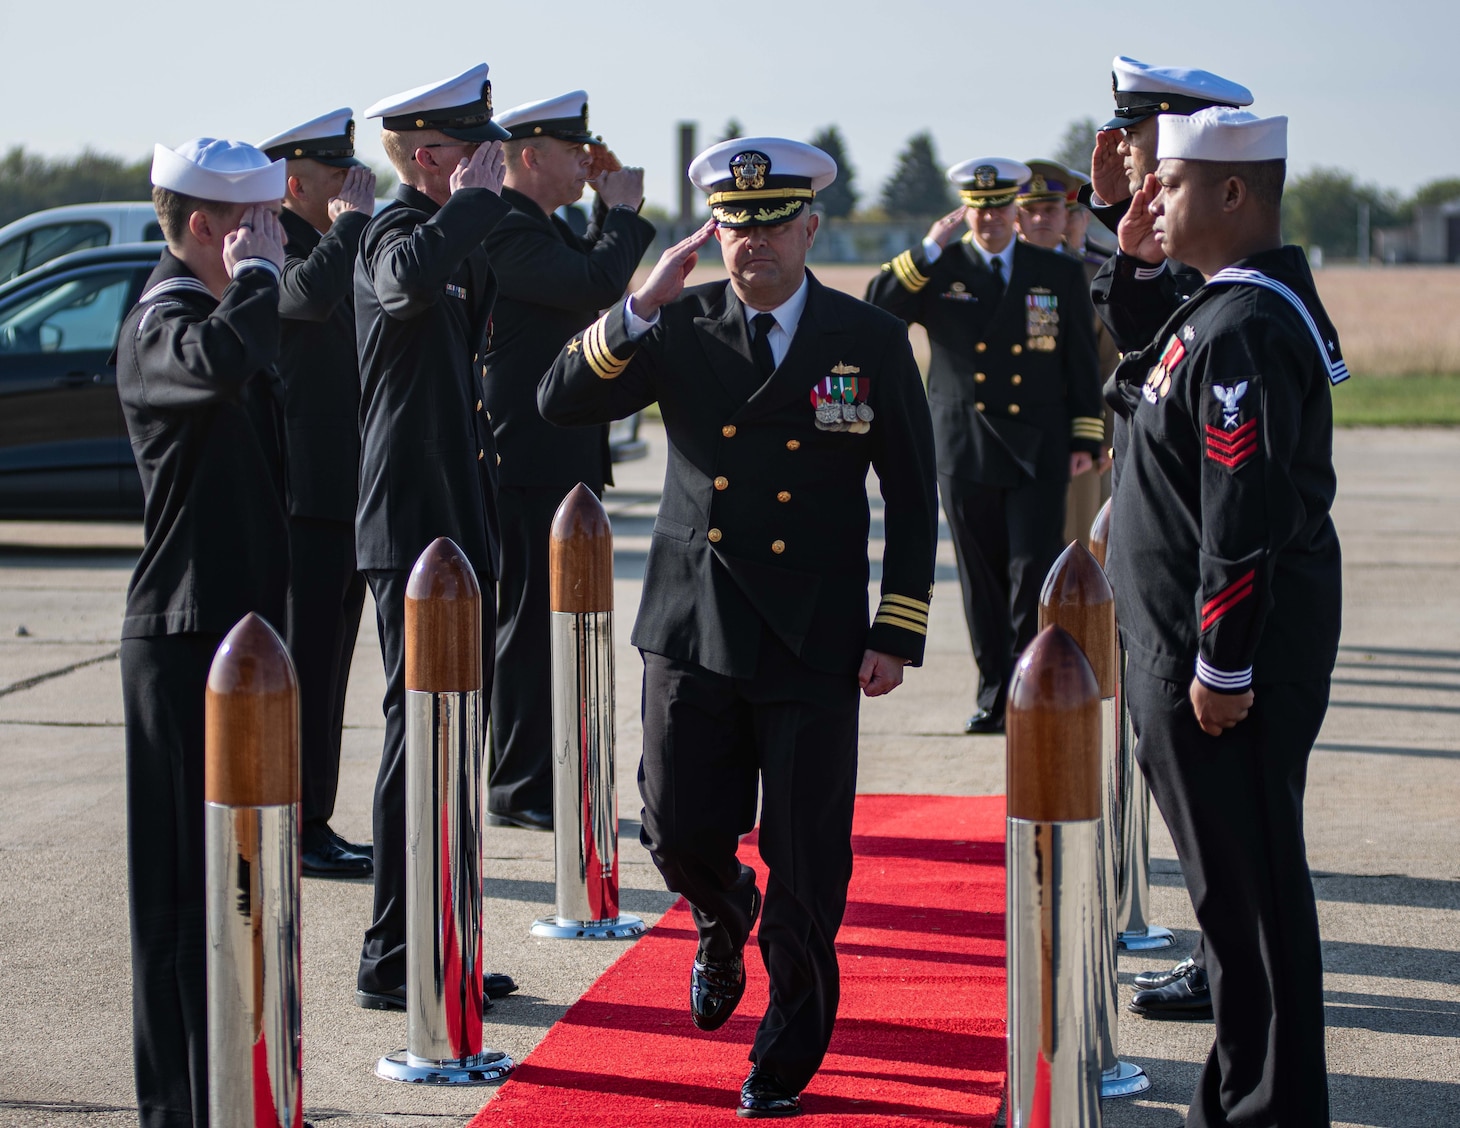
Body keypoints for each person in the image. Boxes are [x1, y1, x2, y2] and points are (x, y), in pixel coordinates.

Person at [539, 137, 938, 1118]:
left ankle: (784, 1050)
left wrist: (895, 627)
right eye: (731, 224)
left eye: (768, 224)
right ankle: (722, 913)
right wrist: (635, 308)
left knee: (808, 863)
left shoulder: (867, 339)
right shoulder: (677, 328)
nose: (748, 243)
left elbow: (913, 493)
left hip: (811, 636)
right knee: (674, 828)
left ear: (808, 227)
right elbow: (558, 400)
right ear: (710, 229)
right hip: (690, 623)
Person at [1105, 107, 1344, 1128]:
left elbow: (1235, 513)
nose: (1148, 197)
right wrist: (1136, 265)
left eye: (1168, 182)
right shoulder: (1218, 309)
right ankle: (1245, 1096)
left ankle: (1262, 1109)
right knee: (1228, 901)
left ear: (1233, 194)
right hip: (1184, 653)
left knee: (1248, 907)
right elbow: (1141, 393)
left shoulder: (1244, 324)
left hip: (1219, 670)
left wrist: (1223, 665)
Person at [118, 138, 289, 1128]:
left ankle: (236, 1084)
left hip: (239, 639)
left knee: (241, 889)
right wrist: (256, 278)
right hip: (183, 641)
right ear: (203, 231)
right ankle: (178, 1105)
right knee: (184, 899)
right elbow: (221, 364)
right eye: (252, 226)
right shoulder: (162, 320)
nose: (268, 243)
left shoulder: (219, 307)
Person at [1083, 56, 1255, 1022]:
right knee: (1180, 774)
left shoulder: (1234, 267)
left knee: (1219, 791)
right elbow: (1140, 340)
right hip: (1167, 551)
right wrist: (1125, 234)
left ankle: (1230, 966)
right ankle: (1218, 952)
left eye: (1143, 138)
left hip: (1203, 559)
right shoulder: (1174, 243)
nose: (1127, 154)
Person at [353, 64, 516, 1010]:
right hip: (411, 522)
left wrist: (485, 210)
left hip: (459, 516)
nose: (489, 164)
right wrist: (469, 207)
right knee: (419, 738)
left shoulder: (460, 235)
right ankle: (390, 955)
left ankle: (443, 938)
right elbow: (407, 286)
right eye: (471, 149)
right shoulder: (395, 232)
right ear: (427, 156)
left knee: (457, 744)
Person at [866, 157, 1102, 735]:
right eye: (980, 208)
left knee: (1030, 568)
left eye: (1000, 208)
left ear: (1014, 211)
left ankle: (1029, 685)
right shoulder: (940, 268)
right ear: (965, 211)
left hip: (1039, 443)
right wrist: (924, 249)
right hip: (966, 442)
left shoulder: (1055, 271)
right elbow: (876, 306)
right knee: (981, 577)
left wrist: (1085, 436)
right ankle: (994, 693)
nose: (990, 219)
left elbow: (1079, 361)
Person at [481, 90, 656, 831]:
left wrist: (603, 215)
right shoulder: (505, 227)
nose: (586, 164)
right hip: (525, 456)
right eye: (572, 152)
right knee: (524, 627)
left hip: (554, 453)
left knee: (548, 624)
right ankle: (518, 787)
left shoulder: (536, 225)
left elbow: (582, 274)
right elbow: (593, 284)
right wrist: (619, 211)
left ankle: (536, 779)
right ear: (531, 157)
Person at [259, 109, 376, 878]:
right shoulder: (278, 250)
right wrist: (349, 228)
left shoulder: (339, 244)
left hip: (344, 490)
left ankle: (317, 816)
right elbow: (300, 300)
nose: (353, 189)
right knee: (304, 663)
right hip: (301, 497)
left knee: (329, 667)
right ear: (295, 184)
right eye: (339, 178)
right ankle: (295, 825)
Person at [1083, 56, 1253, 353]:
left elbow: (1154, 342)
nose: (1122, 146)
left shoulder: (1214, 248)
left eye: (1133, 132)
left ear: (1178, 136)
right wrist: (1123, 203)